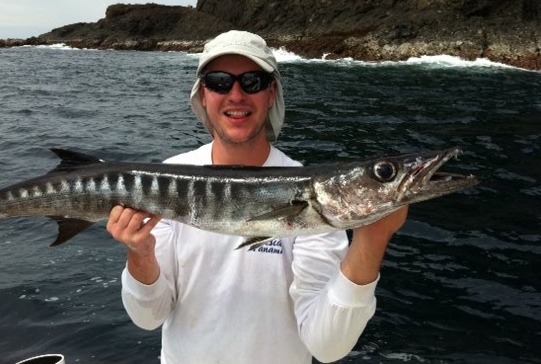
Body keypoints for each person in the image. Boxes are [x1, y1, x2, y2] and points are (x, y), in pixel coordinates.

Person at [106, 30, 408, 363]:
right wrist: (140, 253)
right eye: (219, 82)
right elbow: (149, 317)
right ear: (203, 94)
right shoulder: (166, 179)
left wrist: (372, 239)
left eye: (252, 82)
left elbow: (327, 346)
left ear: (271, 93)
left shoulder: (315, 197)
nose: (236, 95)